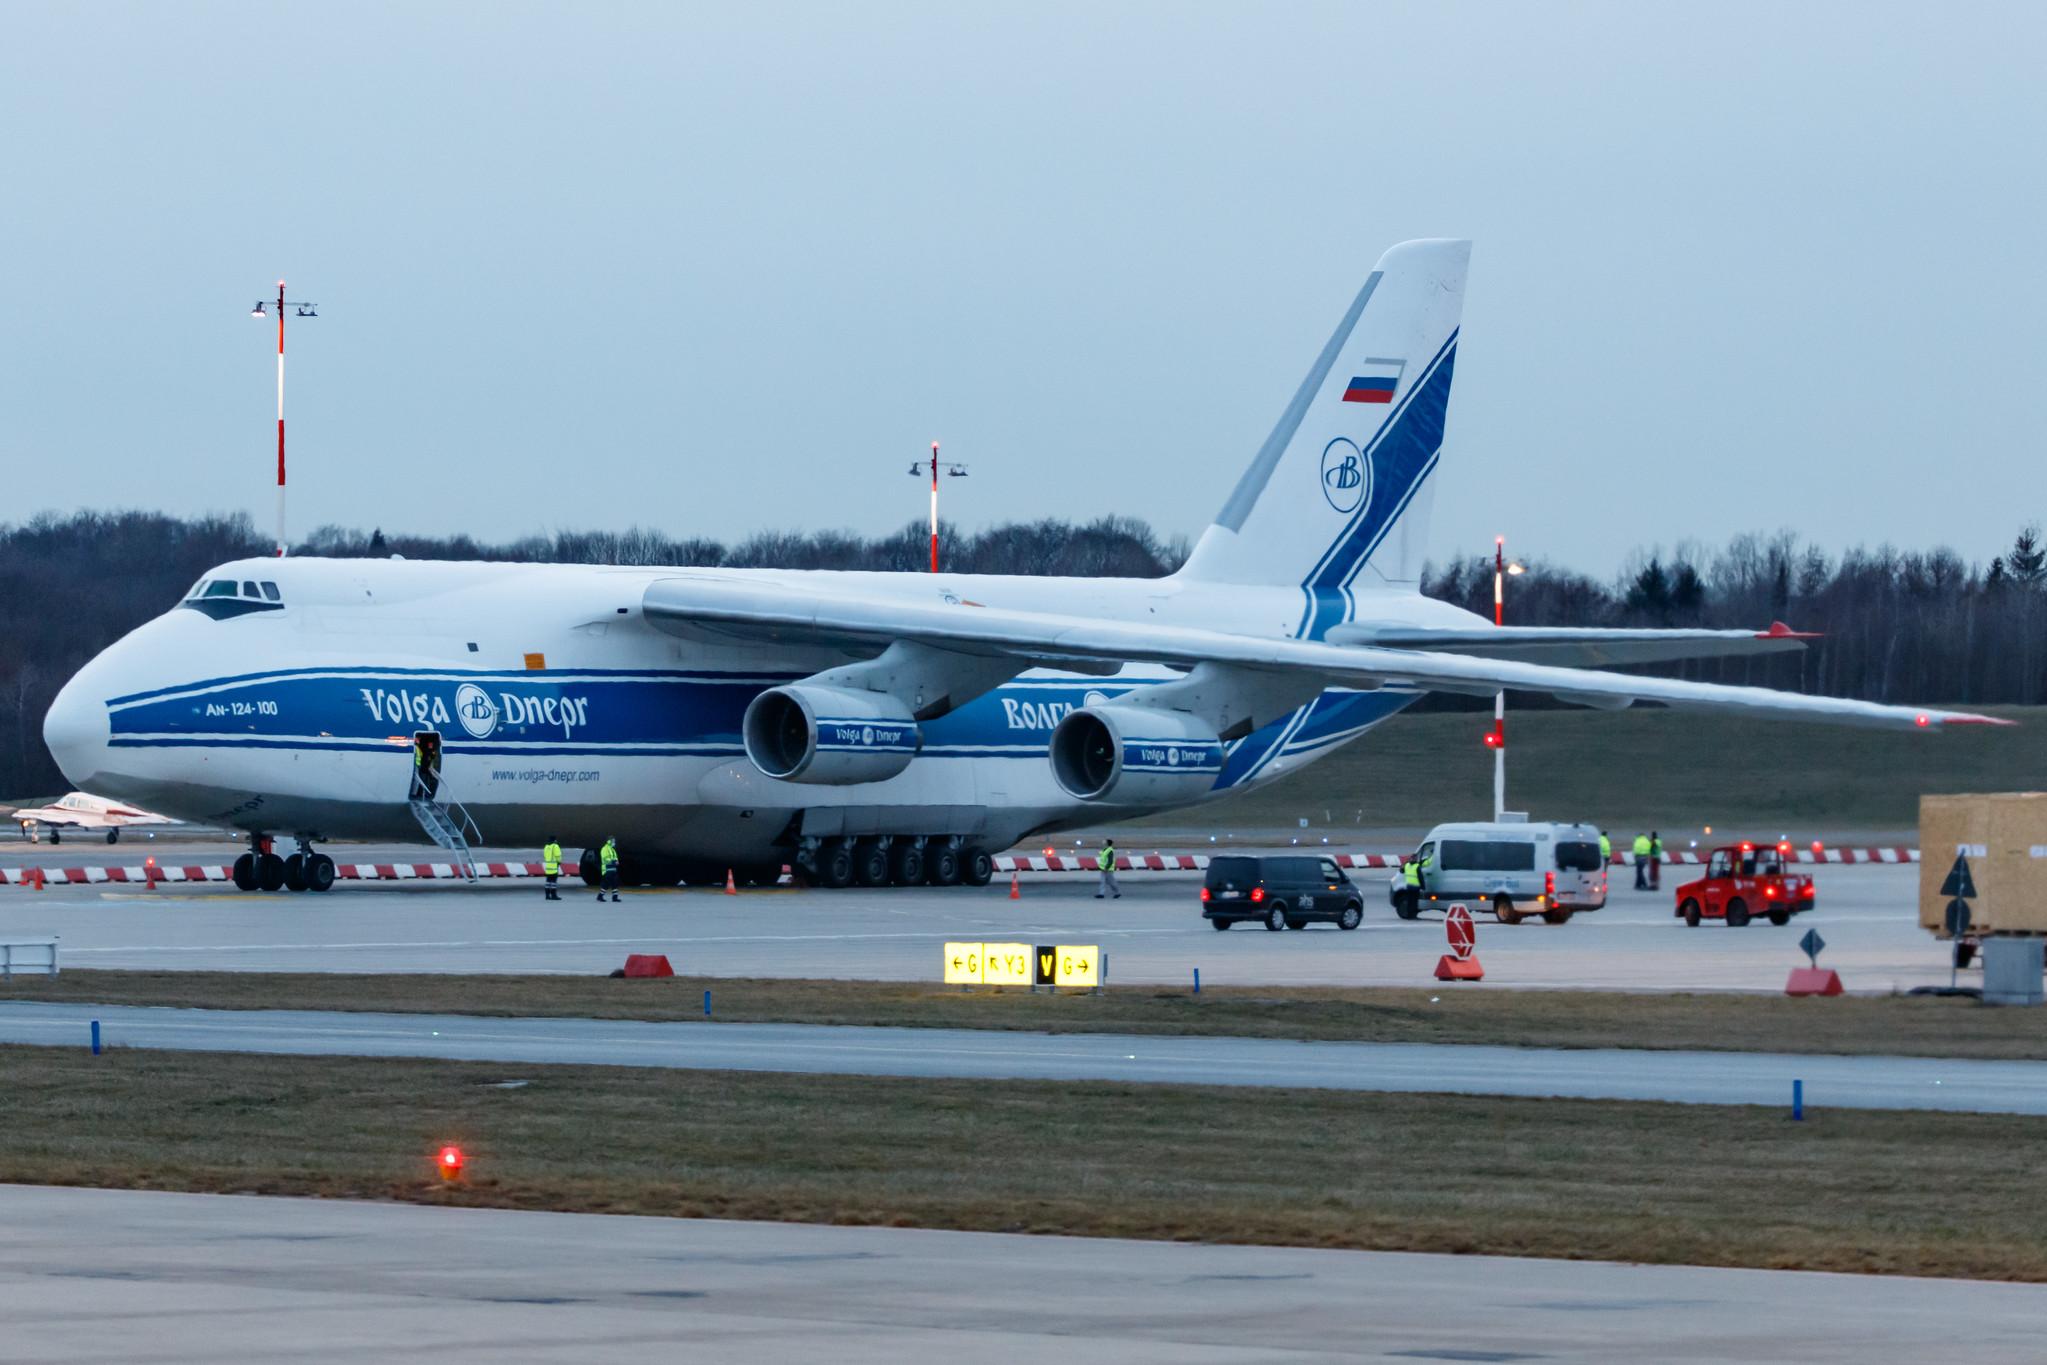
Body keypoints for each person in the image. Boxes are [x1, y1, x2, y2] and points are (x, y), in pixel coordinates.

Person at [598, 835, 621, 903]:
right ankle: (600, 896)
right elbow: (605, 859)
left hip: (613, 869)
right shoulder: (604, 849)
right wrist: (613, 861)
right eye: (613, 841)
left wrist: (616, 861)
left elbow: (615, 857)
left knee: (615, 883)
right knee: (606, 884)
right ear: (609, 841)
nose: (614, 842)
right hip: (607, 869)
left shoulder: (612, 849)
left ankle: (615, 897)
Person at [541, 835, 562, 901]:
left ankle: (547, 895)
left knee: (548, 881)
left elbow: (544, 855)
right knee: (553, 882)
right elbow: (558, 855)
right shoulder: (555, 846)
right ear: (555, 840)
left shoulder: (546, 847)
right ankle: (553, 895)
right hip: (554, 867)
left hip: (548, 867)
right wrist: (559, 862)